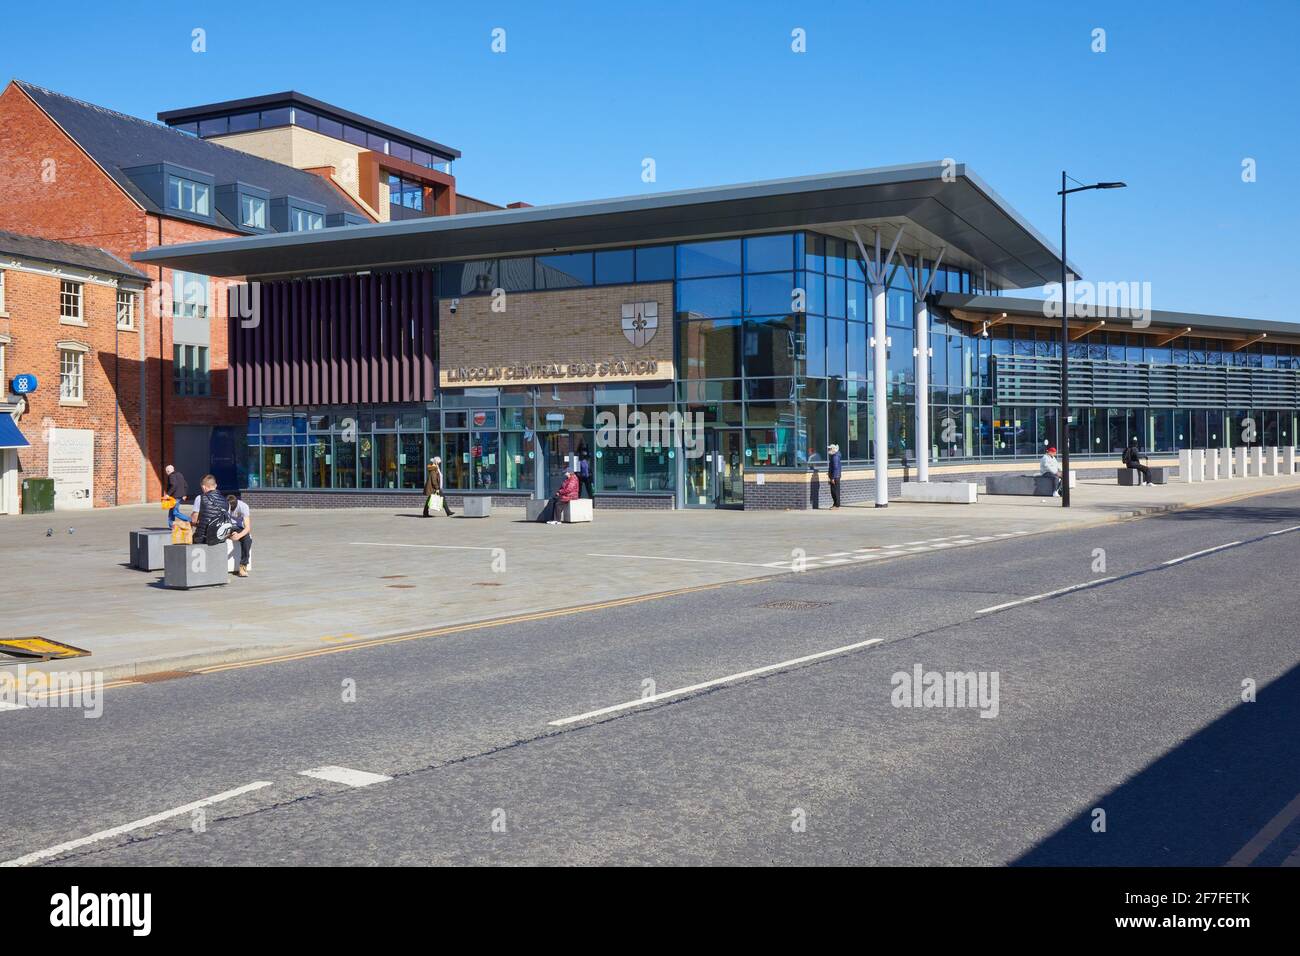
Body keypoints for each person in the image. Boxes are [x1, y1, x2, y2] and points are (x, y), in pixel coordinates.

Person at [188, 474, 228, 544]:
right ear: (215, 485)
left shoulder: (200, 498)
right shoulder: (226, 501)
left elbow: (194, 520)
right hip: (220, 538)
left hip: (203, 538)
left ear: (204, 487)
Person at [226, 494, 253, 577]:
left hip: (238, 527)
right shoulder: (224, 506)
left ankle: (243, 565)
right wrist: (229, 535)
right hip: (226, 527)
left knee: (247, 539)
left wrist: (238, 536)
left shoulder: (243, 507)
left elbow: (247, 528)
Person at [827, 442, 842, 508]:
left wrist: (832, 478)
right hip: (836, 476)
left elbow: (835, 468)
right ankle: (835, 504)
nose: (828, 450)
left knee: (834, 491)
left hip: (835, 477)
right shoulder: (834, 456)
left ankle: (836, 505)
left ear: (833, 449)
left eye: (830, 449)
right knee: (834, 491)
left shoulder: (835, 457)